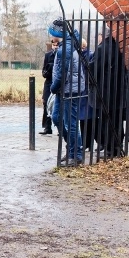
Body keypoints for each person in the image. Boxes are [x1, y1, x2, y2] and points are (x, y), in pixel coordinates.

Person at [49, 19, 84, 166]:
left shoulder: (66, 49)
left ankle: (75, 154)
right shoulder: (66, 46)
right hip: (63, 90)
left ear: (57, 33)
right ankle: (71, 149)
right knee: (56, 117)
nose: (50, 36)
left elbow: (62, 73)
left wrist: (53, 87)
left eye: (52, 32)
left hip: (69, 90)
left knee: (71, 123)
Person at [40, 39, 57, 135]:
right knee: (46, 104)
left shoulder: (61, 55)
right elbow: (44, 70)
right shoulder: (48, 55)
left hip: (57, 82)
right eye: (53, 45)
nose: (55, 47)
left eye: (56, 45)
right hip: (48, 82)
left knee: (58, 105)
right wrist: (47, 71)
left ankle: (60, 128)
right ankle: (47, 127)